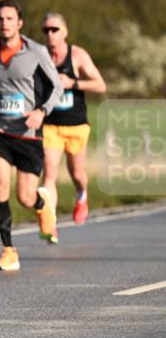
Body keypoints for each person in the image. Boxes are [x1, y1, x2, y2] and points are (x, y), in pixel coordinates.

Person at [0, 0, 62, 271]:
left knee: (25, 198)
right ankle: (9, 250)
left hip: (28, 134)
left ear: (19, 23)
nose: (4, 23)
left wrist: (41, 111)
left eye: (9, 19)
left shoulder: (37, 52)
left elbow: (57, 87)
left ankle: (43, 206)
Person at [40, 12, 106, 236]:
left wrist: (73, 83)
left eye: (55, 29)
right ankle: (50, 223)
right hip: (51, 125)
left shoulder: (77, 55)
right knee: (49, 174)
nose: (50, 34)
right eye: (46, 30)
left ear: (65, 32)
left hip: (77, 125)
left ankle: (82, 196)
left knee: (76, 172)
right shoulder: (40, 57)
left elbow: (100, 85)